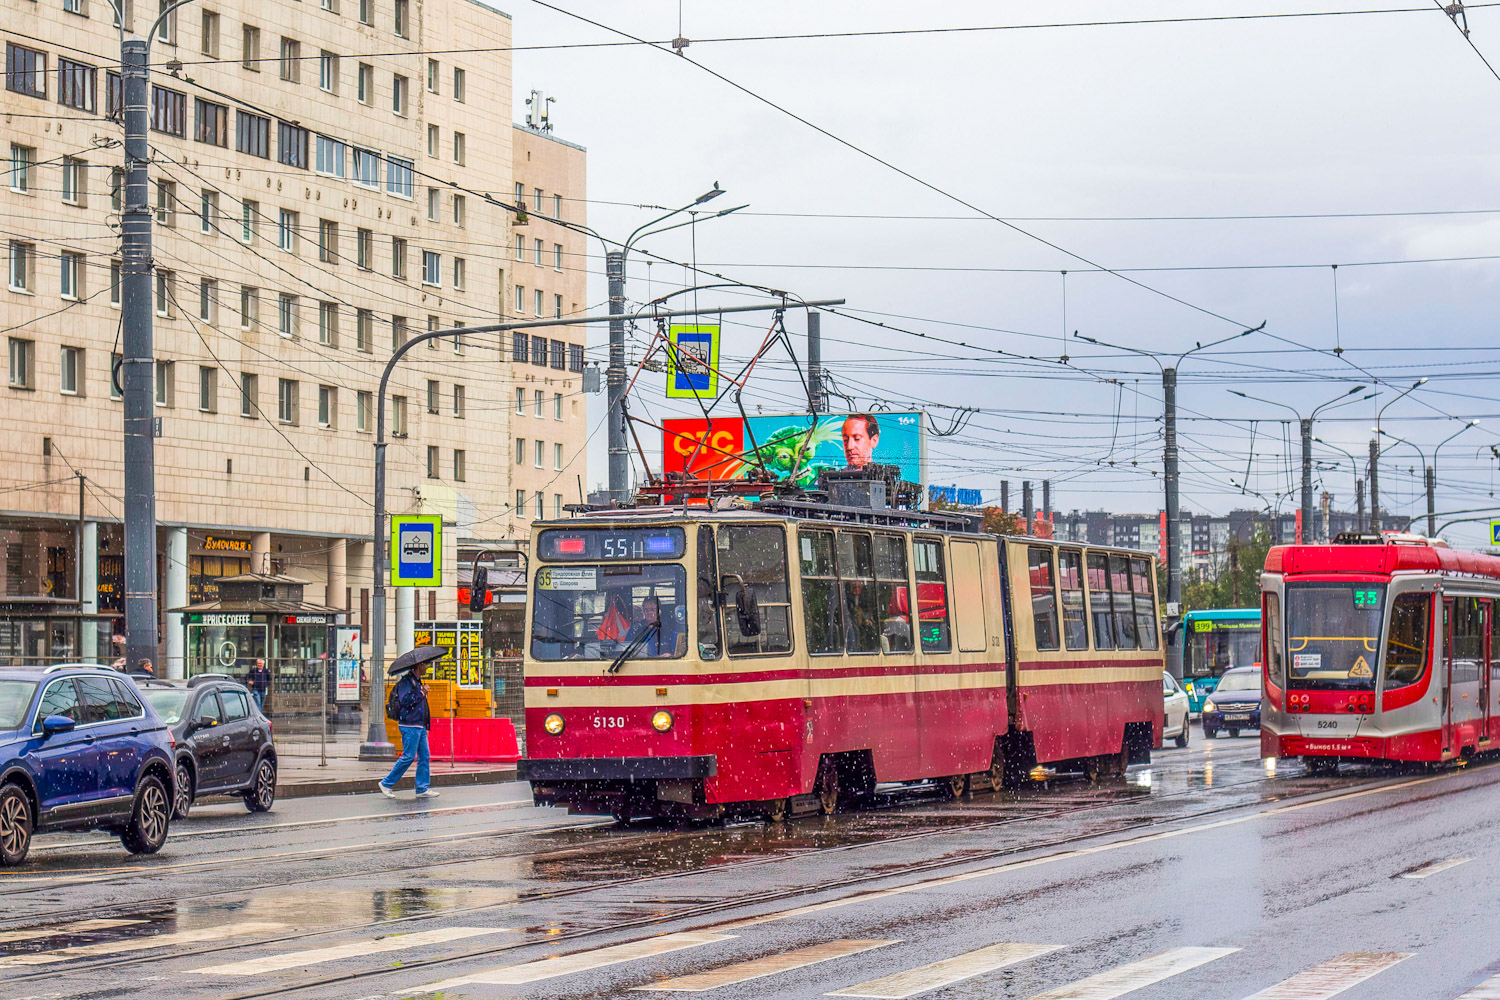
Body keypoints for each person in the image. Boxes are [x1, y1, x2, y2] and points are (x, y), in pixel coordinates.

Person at [380, 660, 438, 799]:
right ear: (419, 666)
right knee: (409, 756)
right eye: (425, 665)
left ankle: (422, 788)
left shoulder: (416, 681)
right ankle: (386, 783)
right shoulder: (407, 682)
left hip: (419, 725)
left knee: (424, 756)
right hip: (410, 725)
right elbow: (405, 700)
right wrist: (422, 692)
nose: (427, 667)